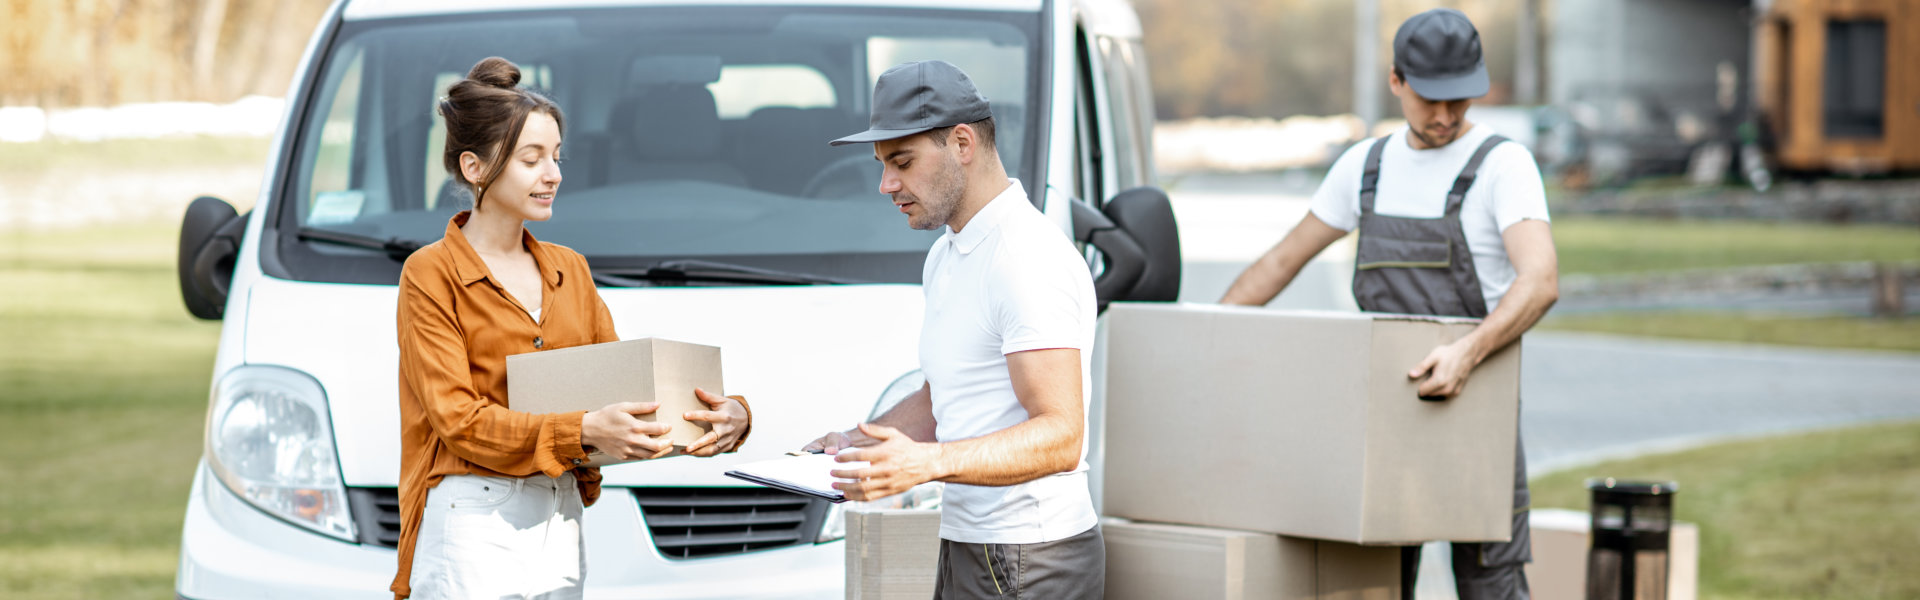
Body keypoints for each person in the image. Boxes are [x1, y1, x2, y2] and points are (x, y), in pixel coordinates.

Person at [1219, 9, 1558, 600]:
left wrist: (1466, 353)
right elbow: (1278, 264)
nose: (1447, 117)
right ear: (1397, 81)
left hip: (1481, 414)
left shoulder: (1504, 165)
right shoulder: (1364, 167)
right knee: (1377, 585)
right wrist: (1206, 337)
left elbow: (1540, 280)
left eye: (1461, 101)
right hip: (1384, 420)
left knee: (1492, 585)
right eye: (1431, 100)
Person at [393, 56, 752, 600]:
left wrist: (728, 418)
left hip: (560, 516)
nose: (554, 174)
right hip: (471, 520)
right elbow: (458, 420)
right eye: (531, 159)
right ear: (474, 168)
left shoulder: (570, 269)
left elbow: (623, 394)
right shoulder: (430, 273)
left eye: (556, 157)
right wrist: (583, 430)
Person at [802, 60, 1104, 599]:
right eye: (882, 164)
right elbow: (944, 396)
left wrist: (926, 463)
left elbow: (1062, 434)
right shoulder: (948, 254)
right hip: (972, 542)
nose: (885, 184)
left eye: (902, 161)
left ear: (962, 142)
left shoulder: (1026, 259)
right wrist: (857, 444)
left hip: (1030, 555)